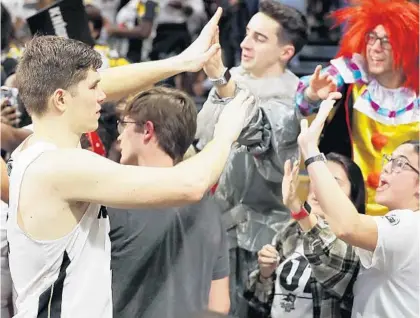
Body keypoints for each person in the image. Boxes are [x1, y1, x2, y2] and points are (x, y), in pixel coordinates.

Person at [6, 9, 256, 317]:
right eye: (94, 88)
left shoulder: (35, 144)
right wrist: (227, 132)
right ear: (61, 99)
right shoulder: (60, 167)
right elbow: (189, 185)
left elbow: (103, 83)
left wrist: (184, 61)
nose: (104, 96)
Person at [195, 1, 308, 315]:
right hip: (211, 225)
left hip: (259, 242)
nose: (245, 44)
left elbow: (261, 139)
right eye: (247, 34)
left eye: (260, 38)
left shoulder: (295, 98)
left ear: (286, 52)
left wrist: (222, 80)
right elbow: (203, 141)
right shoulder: (232, 79)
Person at [109, 87, 230, 317]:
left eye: (124, 125)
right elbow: (220, 304)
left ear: (147, 130)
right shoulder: (210, 207)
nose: (119, 135)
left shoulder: (116, 201)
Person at [297, 96, 419, 318]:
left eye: (400, 164)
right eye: (389, 159)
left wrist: (311, 150)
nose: (387, 168)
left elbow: (348, 226)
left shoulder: (412, 226)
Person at [295, 0, 419, 216]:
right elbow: (305, 98)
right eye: (371, 37)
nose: (375, 48)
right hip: (351, 214)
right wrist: (312, 94)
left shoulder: (414, 96)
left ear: (406, 46)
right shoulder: (352, 75)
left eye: (386, 41)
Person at [245, 151, 365, 318]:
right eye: (316, 180)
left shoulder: (355, 241)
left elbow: (337, 267)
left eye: (331, 182)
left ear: (352, 197)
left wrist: (297, 208)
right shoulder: (290, 232)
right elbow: (258, 302)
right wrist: (265, 274)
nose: (319, 188)